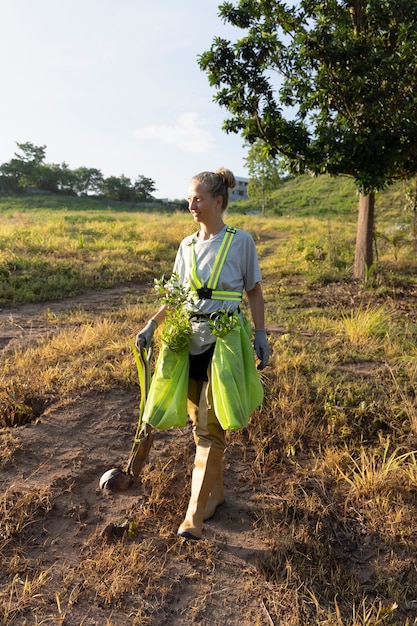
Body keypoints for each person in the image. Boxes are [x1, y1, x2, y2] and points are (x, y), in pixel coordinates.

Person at [136, 167, 269, 540]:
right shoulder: (186, 245)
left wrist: (261, 335)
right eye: (190, 197)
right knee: (200, 426)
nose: (191, 204)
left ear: (218, 201)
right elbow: (175, 296)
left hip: (224, 342)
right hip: (187, 341)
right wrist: (151, 325)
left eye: (198, 198)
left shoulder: (241, 241)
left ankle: (193, 516)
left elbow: (254, 292)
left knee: (211, 428)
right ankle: (217, 496)